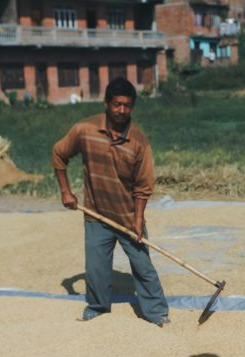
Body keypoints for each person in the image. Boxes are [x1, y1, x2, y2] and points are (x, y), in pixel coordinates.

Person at [52, 77, 170, 325]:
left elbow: (143, 186)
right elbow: (59, 154)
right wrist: (66, 191)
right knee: (95, 269)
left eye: (127, 105)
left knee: (142, 266)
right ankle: (97, 306)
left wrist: (138, 219)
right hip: (95, 214)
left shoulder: (138, 142)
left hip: (128, 217)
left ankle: (156, 312)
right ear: (107, 103)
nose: (121, 110)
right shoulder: (85, 130)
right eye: (117, 104)